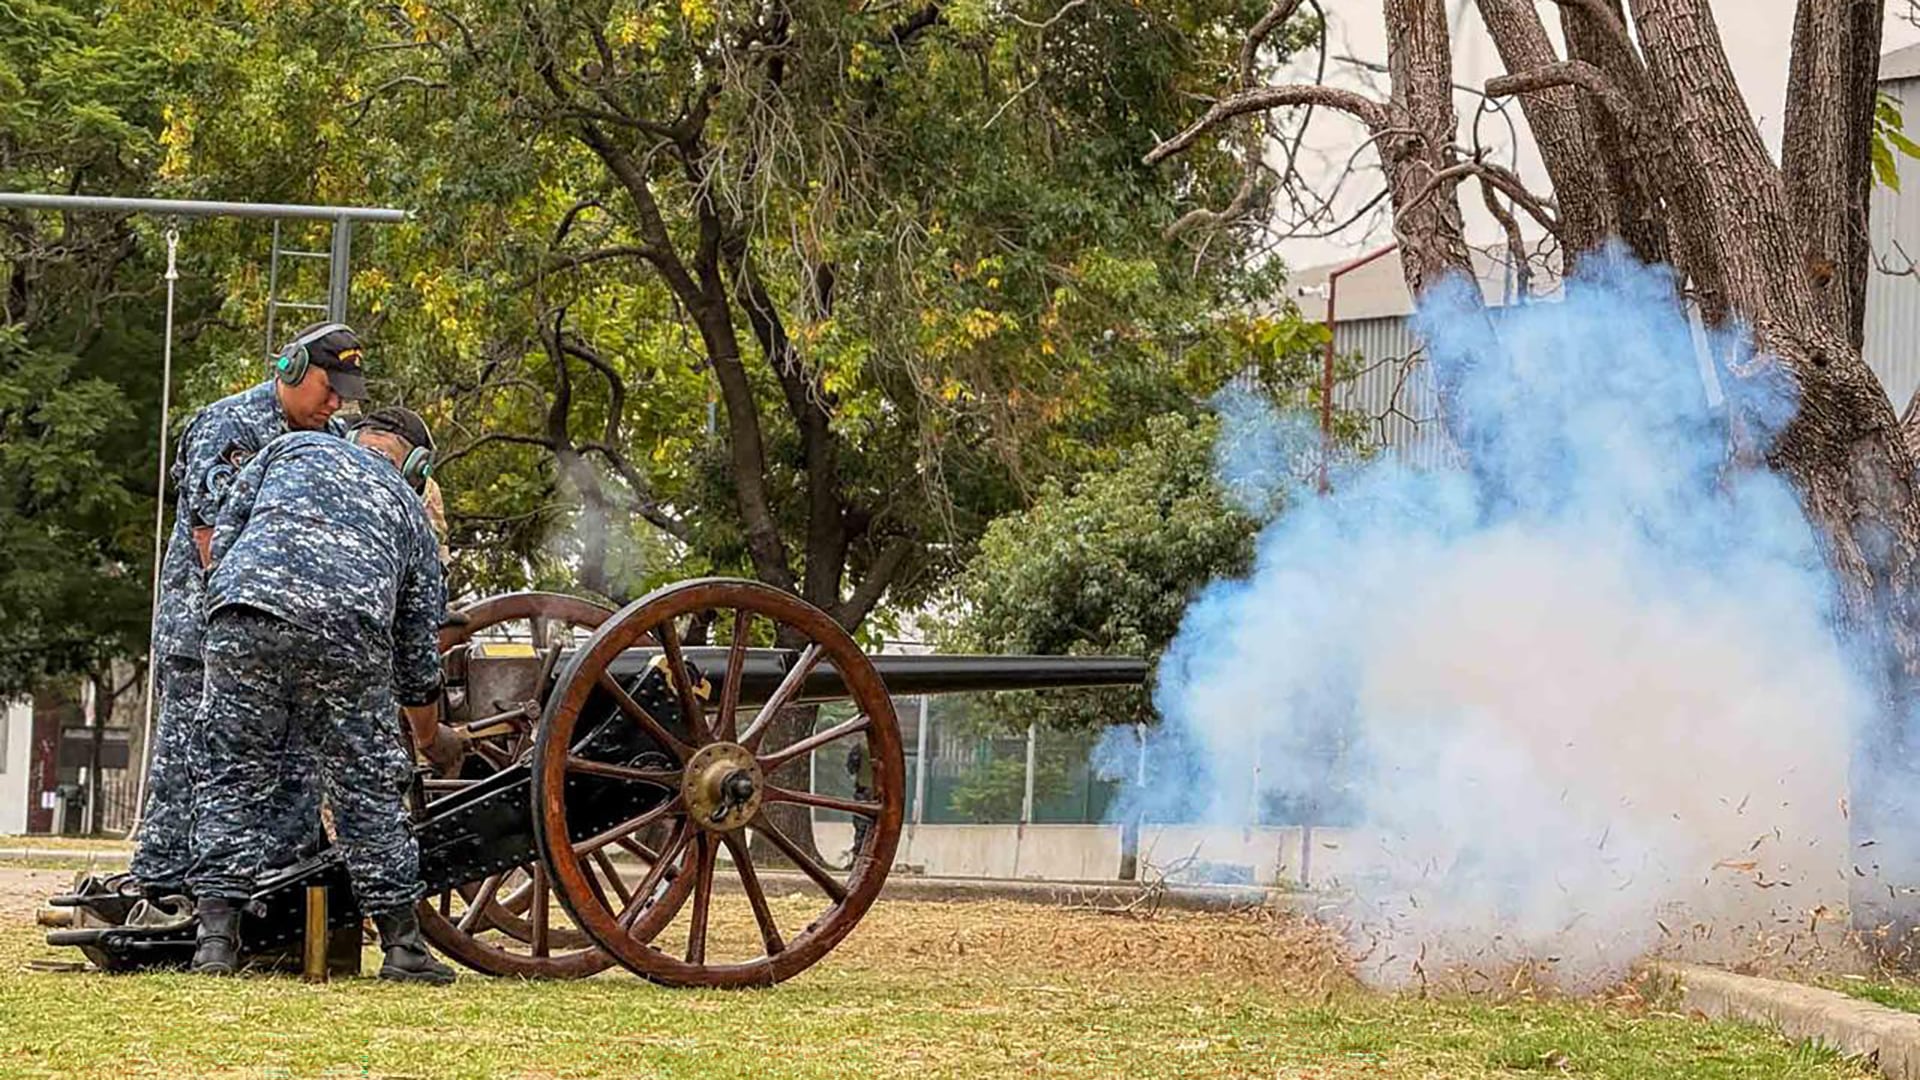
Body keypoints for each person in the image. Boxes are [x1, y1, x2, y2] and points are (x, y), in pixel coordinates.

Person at [187, 407, 453, 984]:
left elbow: (224, 542)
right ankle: (404, 948)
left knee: (230, 774)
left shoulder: (286, 451)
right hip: (349, 632)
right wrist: (431, 736)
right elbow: (415, 646)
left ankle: (215, 943)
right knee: (367, 787)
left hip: (243, 617)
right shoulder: (410, 510)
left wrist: (240, 611)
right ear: (416, 464)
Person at [129, 322, 370, 903]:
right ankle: (161, 889)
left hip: (291, 636)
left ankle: (271, 891)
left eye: (344, 392)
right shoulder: (227, 426)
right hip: (207, 631)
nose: (336, 402)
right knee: (191, 759)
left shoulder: (330, 442)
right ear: (289, 370)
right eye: (327, 386)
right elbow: (215, 544)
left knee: (295, 769)